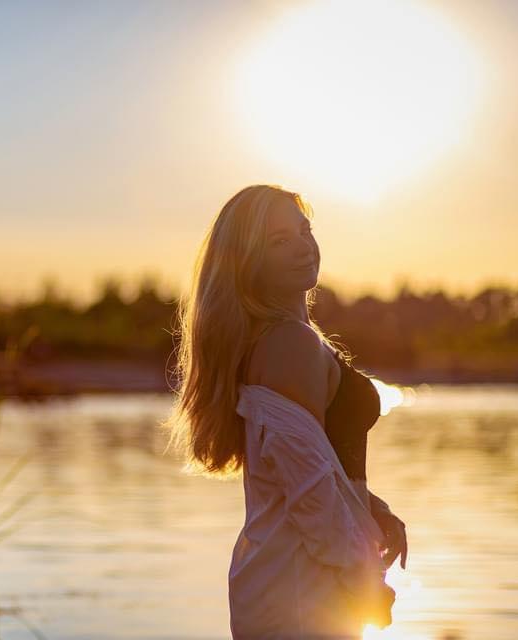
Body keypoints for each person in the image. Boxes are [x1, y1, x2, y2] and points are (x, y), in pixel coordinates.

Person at [161, 184, 408, 638]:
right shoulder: (288, 346)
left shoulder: (288, 339)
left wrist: (375, 510)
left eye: (304, 230)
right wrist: (364, 582)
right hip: (301, 592)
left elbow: (321, 466)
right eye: (279, 241)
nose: (303, 247)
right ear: (249, 261)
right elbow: (311, 493)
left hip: (298, 581)